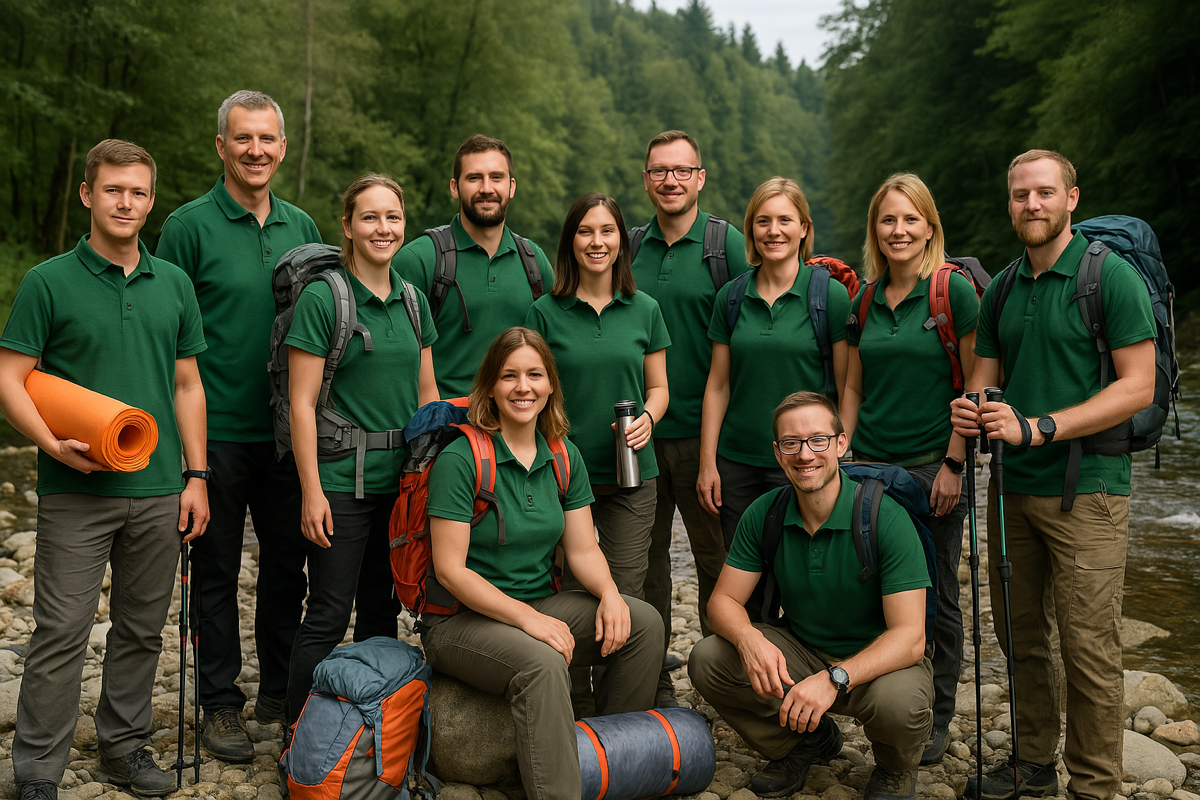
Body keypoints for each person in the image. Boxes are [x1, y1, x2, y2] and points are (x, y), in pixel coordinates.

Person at [0, 140, 209, 800]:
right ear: (89, 195)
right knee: (61, 631)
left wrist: (196, 476)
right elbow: (11, 379)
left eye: (139, 192)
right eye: (114, 189)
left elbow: (187, 385)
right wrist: (52, 445)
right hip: (74, 490)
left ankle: (124, 747)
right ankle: (37, 770)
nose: (127, 202)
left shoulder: (174, 283)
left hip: (156, 491)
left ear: (152, 200)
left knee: (142, 630)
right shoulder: (48, 281)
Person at [950, 150, 1156, 800]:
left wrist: (1041, 426)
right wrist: (973, 411)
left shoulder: (1109, 278)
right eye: (1020, 195)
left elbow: (1138, 388)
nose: (1031, 205)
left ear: (1070, 198)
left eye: (1044, 193)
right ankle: (1033, 763)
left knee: (1089, 646)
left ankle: (1094, 786)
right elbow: (985, 381)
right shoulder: (1006, 285)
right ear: (1009, 202)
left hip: (1090, 490)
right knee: (1021, 638)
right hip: (1011, 488)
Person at [421, 327, 663, 800]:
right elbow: (450, 570)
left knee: (643, 623)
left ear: (551, 384)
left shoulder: (562, 454)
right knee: (543, 663)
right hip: (459, 623)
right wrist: (528, 619)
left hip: (536, 606)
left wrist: (611, 596)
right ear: (490, 386)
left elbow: (583, 549)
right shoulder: (462, 457)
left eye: (534, 375)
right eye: (509, 376)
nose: (522, 387)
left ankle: (613, 761)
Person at [156, 89, 321, 761]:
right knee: (216, 572)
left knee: (287, 571)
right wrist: (181, 454)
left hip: (289, 433)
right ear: (221, 146)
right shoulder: (187, 226)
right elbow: (169, 341)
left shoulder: (304, 225)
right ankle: (220, 704)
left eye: (267, 139)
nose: (256, 150)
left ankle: (279, 693)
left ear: (283, 147)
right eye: (242, 138)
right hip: (213, 432)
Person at [689, 392, 932, 800]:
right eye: (792, 443)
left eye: (818, 440)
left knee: (900, 705)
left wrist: (836, 678)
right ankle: (805, 743)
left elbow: (910, 638)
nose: (805, 455)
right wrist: (749, 640)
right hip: (802, 653)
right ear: (778, 452)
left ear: (841, 444)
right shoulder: (765, 512)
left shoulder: (884, 517)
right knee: (710, 658)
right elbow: (722, 603)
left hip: (879, 665)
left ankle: (894, 768)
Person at [283, 174, 438, 724]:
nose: (383, 228)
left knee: (382, 610)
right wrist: (311, 492)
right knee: (326, 614)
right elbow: (301, 403)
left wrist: (431, 477)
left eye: (392, 218)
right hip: (340, 486)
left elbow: (427, 397)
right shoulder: (326, 299)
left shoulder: (414, 300)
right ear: (347, 226)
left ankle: (374, 732)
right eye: (369, 218)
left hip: (399, 488)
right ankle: (298, 736)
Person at [838, 173, 977, 764]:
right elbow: (852, 386)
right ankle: (886, 702)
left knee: (939, 594)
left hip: (930, 470)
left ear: (930, 228)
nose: (898, 230)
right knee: (877, 589)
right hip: (867, 468)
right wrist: (842, 449)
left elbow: (976, 387)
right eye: (888, 220)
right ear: (876, 229)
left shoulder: (953, 293)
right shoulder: (864, 300)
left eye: (910, 219)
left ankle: (937, 715)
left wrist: (954, 465)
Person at [630, 130, 750, 700]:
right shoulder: (624, 248)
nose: (670, 180)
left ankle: (723, 682)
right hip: (638, 438)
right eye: (659, 171)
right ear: (646, 178)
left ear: (701, 177)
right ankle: (651, 682)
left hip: (710, 443)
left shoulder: (728, 247)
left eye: (681, 170)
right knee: (642, 567)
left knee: (719, 565)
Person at [525, 192, 670, 601]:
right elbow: (531, 392)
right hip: (562, 474)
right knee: (570, 590)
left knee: (623, 592)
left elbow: (658, 389)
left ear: (621, 240)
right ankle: (571, 668)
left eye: (607, 231)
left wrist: (649, 418)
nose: (597, 242)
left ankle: (621, 667)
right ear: (570, 241)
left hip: (631, 472)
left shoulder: (646, 309)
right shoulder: (544, 312)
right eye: (585, 231)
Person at [698, 177, 850, 549]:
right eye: (763, 221)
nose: (774, 231)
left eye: (785, 220)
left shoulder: (828, 295)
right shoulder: (731, 297)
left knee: (804, 567)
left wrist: (838, 455)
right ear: (751, 229)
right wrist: (707, 463)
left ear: (804, 228)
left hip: (806, 460)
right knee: (746, 571)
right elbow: (718, 385)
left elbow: (848, 388)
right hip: (738, 463)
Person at [394, 134, 554, 397]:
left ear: (512, 187)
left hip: (516, 428)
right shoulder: (419, 260)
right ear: (455, 187)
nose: (487, 188)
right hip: (445, 430)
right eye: (474, 178)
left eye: (496, 177)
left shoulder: (534, 262)